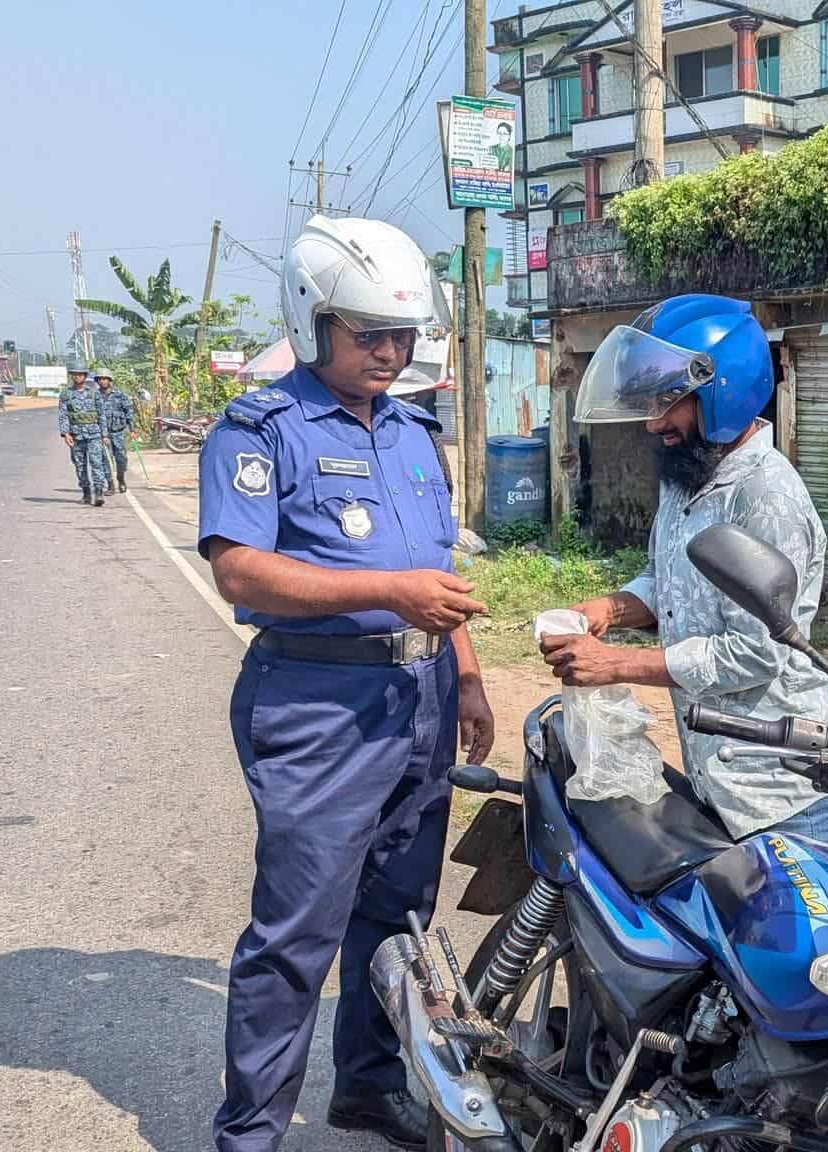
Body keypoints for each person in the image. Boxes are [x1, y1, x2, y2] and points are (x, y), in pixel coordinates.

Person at [198, 213, 494, 1152]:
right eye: (369, 335)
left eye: (402, 335)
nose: (391, 353)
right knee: (297, 935)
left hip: (422, 700)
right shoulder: (259, 430)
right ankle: (250, 1134)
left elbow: (438, 571)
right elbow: (240, 571)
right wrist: (386, 592)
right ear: (312, 320)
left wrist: (469, 678)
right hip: (320, 704)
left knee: (397, 917)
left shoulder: (413, 431)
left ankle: (366, 1086)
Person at [538, 294, 828, 844]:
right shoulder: (687, 477)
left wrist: (616, 664)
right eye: (649, 402)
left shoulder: (767, 497)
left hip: (779, 797)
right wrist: (609, 609)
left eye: (669, 401)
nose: (653, 422)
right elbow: (668, 582)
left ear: (723, 391)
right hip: (719, 785)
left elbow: (754, 652)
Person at [57, 362, 107, 506]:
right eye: (75, 374)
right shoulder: (66, 395)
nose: (77, 377)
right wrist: (66, 434)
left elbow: (101, 414)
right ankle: (86, 492)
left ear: (85, 376)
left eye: (80, 374)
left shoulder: (94, 393)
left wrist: (104, 434)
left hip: (94, 435)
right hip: (76, 436)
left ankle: (99, 492)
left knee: (97, 463)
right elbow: (63, 415)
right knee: (80, 465)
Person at [96, 370, 134, 494]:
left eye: (105, 378)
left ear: (109, 380)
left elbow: (128, 412)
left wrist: (132, 429)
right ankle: (111, 485)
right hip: (103, 435)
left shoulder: (119, 395)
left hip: (118, 432)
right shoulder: (95, 396)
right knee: (106, 460)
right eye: (100, 379)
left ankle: (121, 479)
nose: (102, 381)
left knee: (121, 459)